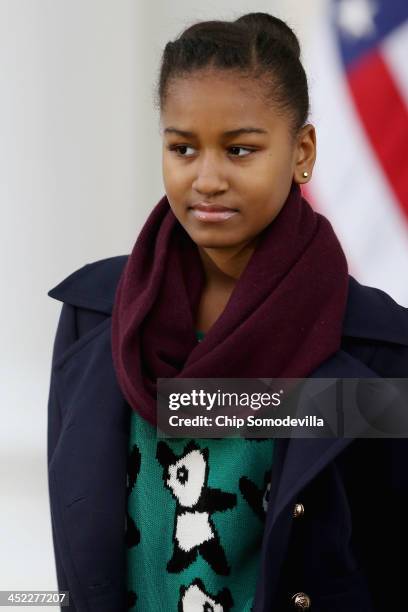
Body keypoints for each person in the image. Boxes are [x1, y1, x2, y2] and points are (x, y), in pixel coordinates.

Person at [46, 12, 408, 612]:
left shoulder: (379, 348)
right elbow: (77, 558)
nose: (207, 178)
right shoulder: (93, 318)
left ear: (303, 151)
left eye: (240, 149)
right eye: (183, 148)